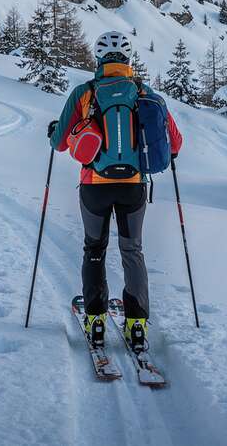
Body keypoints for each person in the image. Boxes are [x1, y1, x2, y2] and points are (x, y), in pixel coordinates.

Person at [47, 31, 182, 352]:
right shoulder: (144, 93)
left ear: (99, 59)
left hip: (94, 185)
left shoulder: (84, 93)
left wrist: (54, 131)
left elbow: (60, 143)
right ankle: (136, 324)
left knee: (94, 248)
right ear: (127, 58)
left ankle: (95, 320)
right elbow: (175, 143)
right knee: (132, 250)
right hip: (134, 186)